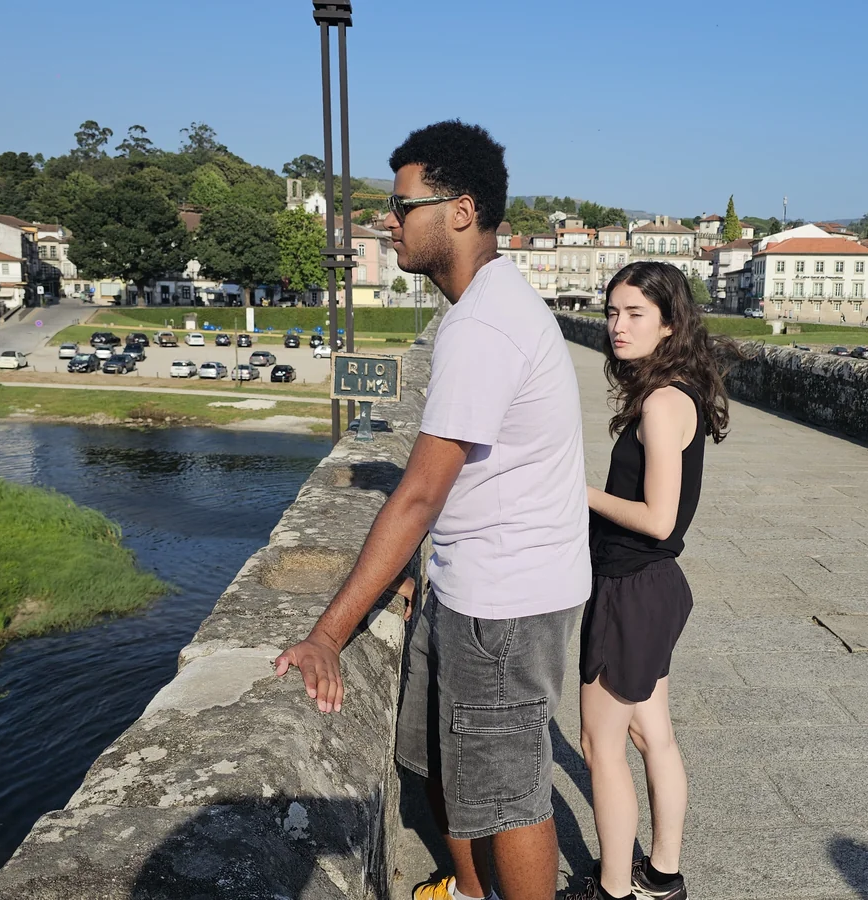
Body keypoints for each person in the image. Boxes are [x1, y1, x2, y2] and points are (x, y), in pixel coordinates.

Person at [274, 120, 590, 900]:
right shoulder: (484, 307)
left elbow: (418, 494)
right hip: (471, 583)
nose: (390, 220)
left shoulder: (483, 324)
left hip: (505, 604)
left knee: (509, 793)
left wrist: (327, 635)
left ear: (460, 211)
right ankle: (469, 891)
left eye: (403, 205)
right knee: (446, 763)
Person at [568, 262, 735, 900]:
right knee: (650, 734)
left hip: (632, 586)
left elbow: (659, 519)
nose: (618, 325)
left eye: (635, 314)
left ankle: (613, 889)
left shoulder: (663, 403)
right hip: (652, 586)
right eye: (613, 312)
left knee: (600, 745)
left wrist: (576, 492)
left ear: (669, 324)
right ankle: (662, 876)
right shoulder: (676, 391)